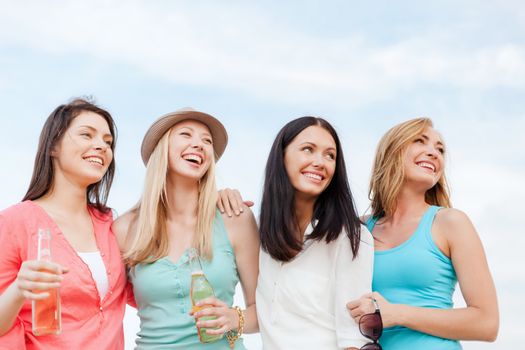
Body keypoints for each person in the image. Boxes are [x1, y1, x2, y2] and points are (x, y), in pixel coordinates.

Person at [112, 108, 260, 349]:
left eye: (207, 140)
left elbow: (267, 310)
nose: (199, 145)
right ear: (162, 149)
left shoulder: (235, 218)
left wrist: (234, 318)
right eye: (186, 134)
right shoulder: (125, 229)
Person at [346, 118, 499, 348]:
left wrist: (397, 314)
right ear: (392, 151)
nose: (434, 153)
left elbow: (487, 324)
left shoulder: (450, 223)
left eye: (440, 149)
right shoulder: (357, 230)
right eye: (420, 141)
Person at [0, 98, 128, 349]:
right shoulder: (13, 223)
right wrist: (18, 289)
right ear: (53, 146)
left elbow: (154, 288)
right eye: (86, 135)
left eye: (107, 141)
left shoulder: (112, 225)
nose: (100, 146)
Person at [244, 116, 374, 349]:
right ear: (281, 156)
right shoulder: (260, 229)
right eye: (308, 149)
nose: (320, 162)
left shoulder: (351, 237)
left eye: (330, 155)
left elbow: (353, 337)